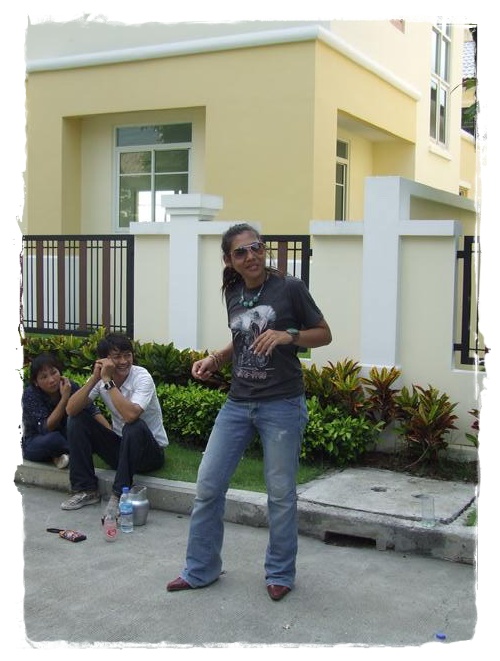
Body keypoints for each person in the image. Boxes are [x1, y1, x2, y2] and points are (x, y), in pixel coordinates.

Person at [167, 223, 332, 601]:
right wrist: (216, 358)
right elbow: (242, 338)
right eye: (241, 252)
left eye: (256, 247)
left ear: (264, 249)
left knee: (280, 494)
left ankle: (280, 573)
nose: (251, 256)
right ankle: (201, 569)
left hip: (282, 404)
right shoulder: (233, 291)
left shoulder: (289, 288)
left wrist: (288, 335)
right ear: (229, 260)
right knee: (208, 486)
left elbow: (324, 333)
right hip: (238, 403)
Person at [60, 332, 168, 515]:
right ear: (104, 360)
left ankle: (119, 495)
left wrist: (108, 382)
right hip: (121, 449)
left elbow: (131, 415)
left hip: (149, 453)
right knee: (77, 419)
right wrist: (95, 378)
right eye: (117, 357)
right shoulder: (101, 378)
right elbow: (70, 410)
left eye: (128, 355)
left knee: (134, 426)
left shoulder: (142, 377)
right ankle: (86, 490)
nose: (124, 361)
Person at [21, 352, 107, 469]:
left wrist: (110, 435)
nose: (51, 380)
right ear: (36, 382)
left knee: (83, 425)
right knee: (54, 440)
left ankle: (60, 456)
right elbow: (46, 427)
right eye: (44, 377)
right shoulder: (30, 395)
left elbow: (92, 410)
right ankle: (72, 452)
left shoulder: (70, 386)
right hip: (37, 440)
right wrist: (65, 398)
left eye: (54, 373)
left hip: (65, 435)